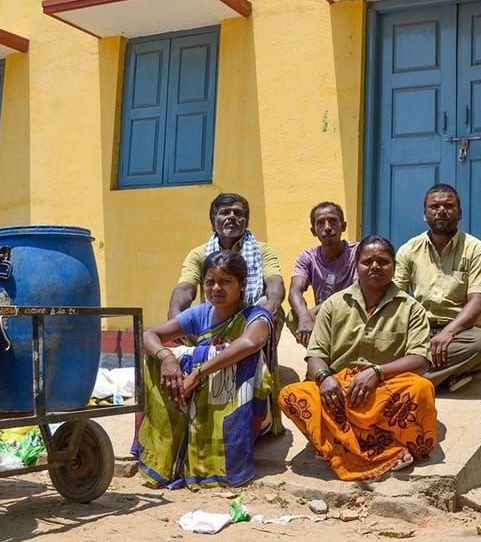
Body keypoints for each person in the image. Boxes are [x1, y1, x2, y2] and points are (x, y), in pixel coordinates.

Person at [279, 235, 437, 481]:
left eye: (383, 261)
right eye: (367, 261)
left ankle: (339, 443)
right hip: (339, 390)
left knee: (421, 389)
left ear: (393, 266)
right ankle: (383, 448)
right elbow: (316, 355)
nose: (375, 266)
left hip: (384, 388)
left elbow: (420, 360)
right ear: (356, 266)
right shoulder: (334, 305)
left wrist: (376, 373)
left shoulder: (411, 308)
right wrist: (324, 378)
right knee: (291, 396)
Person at [132, 250, 280, 489]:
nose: (216, 288)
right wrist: (167, 358)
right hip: (194, 395)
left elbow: (251, 343)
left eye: (225, 281)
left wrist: (198, 373)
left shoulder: (256, 316)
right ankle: (172, 444)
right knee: (156, 357)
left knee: (244, 360)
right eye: (210, 282)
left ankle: (223, 447)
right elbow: (149, 335)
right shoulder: (201, 313)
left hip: (241, 406)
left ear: (242, 284)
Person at [393, 183, 481, 391]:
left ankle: (403, 381)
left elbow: (478, 303)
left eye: (449, 206)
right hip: (419, 329)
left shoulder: (478, 251)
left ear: (460, 214)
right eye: (434, 207)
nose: (441, 211)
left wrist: (448, 332)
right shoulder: (408, 250)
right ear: (425, 215)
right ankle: (444, 376)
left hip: (460, 332)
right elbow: (395, 296)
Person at [168, 193, 285, 322]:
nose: (232, 217)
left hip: (252, 318)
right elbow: (185, 288)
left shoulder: (262, 250)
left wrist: (271, 306)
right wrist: (175, 313)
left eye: (238, 213)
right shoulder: (198, 254)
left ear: (246, 222)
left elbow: (274, 281)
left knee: (270, 304)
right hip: (214, 318)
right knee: (185, 315)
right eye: (225, 213)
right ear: (213, 222)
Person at [287, 202, 359, 346]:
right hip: (324, 317)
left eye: (333, 221)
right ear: (313, 231)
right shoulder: (308, 257)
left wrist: (314, 311)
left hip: (351, 315)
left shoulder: (357, 252)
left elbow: (356, 291)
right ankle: (318, 351)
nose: (327, 227)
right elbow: (294, 291)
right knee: (293, 316)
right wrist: (304, 317)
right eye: (320, 223)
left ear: (343, 226)